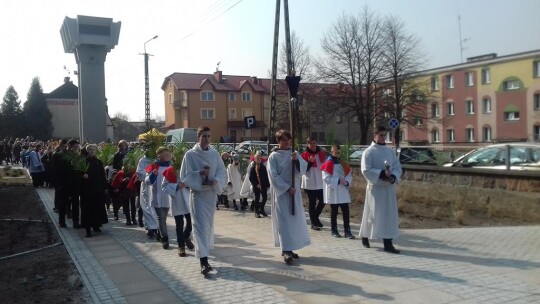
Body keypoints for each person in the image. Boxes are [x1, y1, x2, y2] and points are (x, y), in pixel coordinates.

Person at [179, 126, 227, 275]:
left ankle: (204, 255)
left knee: (207, 226)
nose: (206, 139)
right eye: (204, 136)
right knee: (199, 226)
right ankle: (203, 261)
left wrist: (216, 181)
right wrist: (198, 173)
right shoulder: (190, 155)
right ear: (198, 137)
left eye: (209, 136)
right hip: (198, 195)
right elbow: (184, 176)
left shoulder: (214, 154)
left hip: (210, 195)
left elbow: (222, 172)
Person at [267, 130, 311, 264]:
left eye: (288, 140)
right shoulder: (273, 157)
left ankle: (289, 248)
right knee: (284, 222)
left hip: (295, 192)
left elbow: (303, 168)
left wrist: (296, 161)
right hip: (282, 194)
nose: (286, 143)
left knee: (292, 221)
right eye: (284, 140)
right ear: (278, 141)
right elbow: (273, 176)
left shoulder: (294, 153)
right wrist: (287, 188)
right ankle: (285, 250)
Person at [359, 126, 402, 254]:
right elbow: (365, 170)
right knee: (373, 215)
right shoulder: (369, 152)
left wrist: (393, 176)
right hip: (375, 189)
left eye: (384, 135)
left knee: (388, 216)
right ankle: (365, 235)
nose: (383, 137)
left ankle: (388, 243)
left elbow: (397, 167)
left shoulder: (390, 151)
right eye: (381, 135)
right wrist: (382, 174)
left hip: (388, 189)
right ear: (375, 136)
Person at [320, 144, 354, 239]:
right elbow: (326, 178)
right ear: (332, 152)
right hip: (334, 190)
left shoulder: (342, 162)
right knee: (334, 211)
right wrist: (338, 181)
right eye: (336, 152)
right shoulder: (328, 163)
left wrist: (347, 181)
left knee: (346, 211)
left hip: (342, 190)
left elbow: (348, 174)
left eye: (339, 152)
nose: (338, 154)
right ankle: (334, 230)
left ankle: (347, 230)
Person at [162, 165, 194, 257]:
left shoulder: (188, 168)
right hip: (177, 199)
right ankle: (181, 246)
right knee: (179, 224)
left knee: (191, 221)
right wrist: (176, 186)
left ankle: (186, 236)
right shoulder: (170, 170)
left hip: (188, 197)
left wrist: (188, 185)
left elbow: (194, 181)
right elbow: (164, 186)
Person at [145, 147, 173, 249]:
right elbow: (147, 181)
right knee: (161, 218)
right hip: (157, 196)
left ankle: (159, 232)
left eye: (168, 154)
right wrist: (153, 174)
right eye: (165, 154)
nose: (168, 156)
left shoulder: (171, 166)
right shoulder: (153, 166)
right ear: (159, 156)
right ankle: (165, 238)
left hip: (168, 197)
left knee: (163, 218)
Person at [80, 144, 108, 237]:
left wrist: (105, 187)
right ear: (87, 150)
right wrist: (82, 176)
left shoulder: (98, 162)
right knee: (87, 209)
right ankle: (88, 229)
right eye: (90, 149)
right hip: (87, 190)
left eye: (93, 150)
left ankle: (96, 225)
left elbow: (102, 176)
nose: (92, 151)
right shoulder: (83, 162)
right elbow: (77, 173)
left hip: (97, 189)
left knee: (97, 208)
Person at [301, 137, 327, 231]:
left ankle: (315, 218)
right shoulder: (304, 155)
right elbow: (303, 170)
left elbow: (326, 164)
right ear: (307, 144)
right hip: (310, 182)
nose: (313, 145)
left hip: (320, 181)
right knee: (312, 203)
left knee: (323, 200)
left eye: (314, 143)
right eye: (311, 143)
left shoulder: (321, 153)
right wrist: (310, 163)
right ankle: (313, 223)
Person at [136, 146, 159, 238]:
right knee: (146, 207)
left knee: (155, 207)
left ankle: (157, 227)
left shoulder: (157, 159)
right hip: (146, 186)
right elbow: (139, 172)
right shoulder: (143, 160)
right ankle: (150, 227)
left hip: (156, 187)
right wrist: (148, 174)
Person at [249, 151, 270, 218]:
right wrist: (256, 184)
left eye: (260, 158)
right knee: (257, 198)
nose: (259, 160)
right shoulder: (253, 168)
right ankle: (256, 211)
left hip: (263, 185)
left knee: (265, 197)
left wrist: (267, 184)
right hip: (257, 186)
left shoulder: (263, 167)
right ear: (255, 159)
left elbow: (266, 176)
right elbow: (251, 178)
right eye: (257, 158)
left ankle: (262, 209)